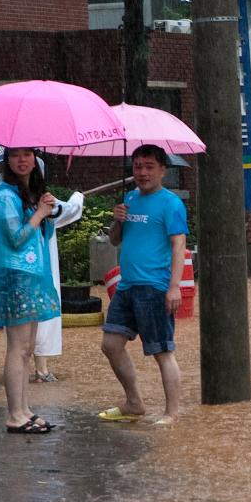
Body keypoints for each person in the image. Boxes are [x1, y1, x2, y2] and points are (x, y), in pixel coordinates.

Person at [98, 145, 187, 426]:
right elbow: (114, 240)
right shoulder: (129, 199)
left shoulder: (171, 203)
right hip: (126, 286)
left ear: (162, 170)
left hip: (155, 287)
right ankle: (134, 402)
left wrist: (174, 287)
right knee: (111, 344)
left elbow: (178, 246)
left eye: (149, 166)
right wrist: (117, 220)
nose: (143, 172)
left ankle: (172, 413)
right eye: (137, 166)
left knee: (162, 352)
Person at [0, 148, 60, 433]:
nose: (22, 160)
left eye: (27, 154)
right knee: (17, 348)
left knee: (28, 349)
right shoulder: (4, 197)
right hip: (15, 278)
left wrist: (48, 214)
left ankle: (25, 409)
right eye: (15, 155)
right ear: (7, 162)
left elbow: (43, 235)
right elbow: (17, 239)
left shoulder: (28, 195)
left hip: (33, 277)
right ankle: (14, 414)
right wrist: (39, 213)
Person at [33, 179, 84, 383]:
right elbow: (70, 209)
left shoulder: (49, 207)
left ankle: (41, 369)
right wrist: (77, 196)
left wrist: (77, 197)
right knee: (35, 319)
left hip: (40, 272)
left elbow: (66, 209)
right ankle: (39, 370)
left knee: (42, 318)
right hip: (29, 271)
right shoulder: (10, 202)